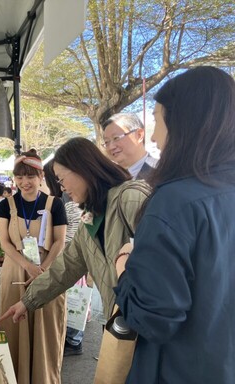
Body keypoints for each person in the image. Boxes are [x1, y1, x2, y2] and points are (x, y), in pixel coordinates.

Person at [114, 67, 235, 383]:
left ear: (185, 123)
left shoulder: (175, 202)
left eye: (157, 120)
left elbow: (152, 318)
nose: (154, 137)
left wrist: (123, 266)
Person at [0, 138, 151, 358]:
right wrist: (27, 301)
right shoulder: (90, 217)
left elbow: (164, 264)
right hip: (121, 322)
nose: (63, 188)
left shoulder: (130, 198)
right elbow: (67, 266)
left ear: (83, 169)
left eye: (62, 179)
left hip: (148, 326)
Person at [0, 149, 68, 384]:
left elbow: (59, 240)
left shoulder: (54, 204)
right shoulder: (6, 205)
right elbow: (5, 243)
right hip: (16, 270)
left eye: (30, 176)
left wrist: (42, 268)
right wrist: (27, 265)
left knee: (45, 329)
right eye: (19, 177)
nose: (24, 182)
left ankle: (43, 378)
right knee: (14, 329)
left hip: (47, 273)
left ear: (40, 177)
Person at [43, 161, 85, 356]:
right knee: (74, 297)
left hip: (71, 255)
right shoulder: (65, 197)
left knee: (74, 298)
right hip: (74, 254)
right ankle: (72, 338)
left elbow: (66, 235)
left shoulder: (66, 200)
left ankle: (74, 341)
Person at [102, 113, 158, 179]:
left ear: (139, 135)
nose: (111, 147)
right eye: (106, 142)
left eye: (116, 138)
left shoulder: (162, 171)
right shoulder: (111, 179)